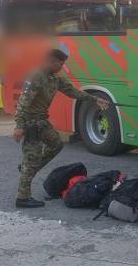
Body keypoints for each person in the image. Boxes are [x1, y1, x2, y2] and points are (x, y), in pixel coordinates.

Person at [12, 48, 110, 208]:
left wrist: (95, 99)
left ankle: (28, 167)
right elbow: (23, 102)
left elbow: (72, 92)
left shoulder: (54, 79)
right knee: (32, 158)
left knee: (56, 144)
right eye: (60, 63)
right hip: (31, 123)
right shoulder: (36, 77)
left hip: (42, 121)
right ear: (51, 61)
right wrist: (19, 126)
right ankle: (22, 197)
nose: (62, 66)